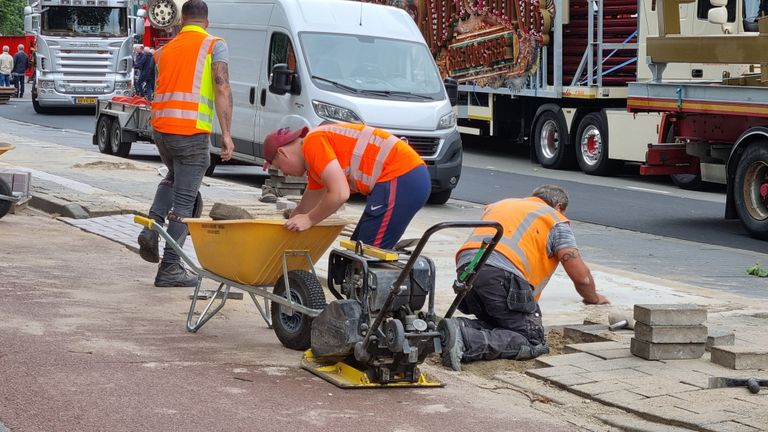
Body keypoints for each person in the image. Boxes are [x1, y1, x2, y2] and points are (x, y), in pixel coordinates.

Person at [439, 185, 610, 371]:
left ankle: (454, 327)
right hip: (500, 274)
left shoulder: (503, 205)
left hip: (466, 270)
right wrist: (593, 298)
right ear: (559, 206)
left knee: (500, 323)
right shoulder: (554, 219)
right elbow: (581, 278)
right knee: (532, 339)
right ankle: (466, 339)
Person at [136, 0, 235, 287]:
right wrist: (226, 134)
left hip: (161, 129)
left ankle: (152, 229)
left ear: (181, 22)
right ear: (207, 22)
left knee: (173, 176)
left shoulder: (164, 49)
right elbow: (222, 86)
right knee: (185, 201)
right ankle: (170, 268)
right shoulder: (214, 44)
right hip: (190, 131)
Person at [264, 122, 431, 250]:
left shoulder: (312, 143)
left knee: (368, 254)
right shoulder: (315, 166)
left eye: (279, 167)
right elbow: (304, 208)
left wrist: (309, 220)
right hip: (402, 179)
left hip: (402, 177)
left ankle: (377, 294)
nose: (284, 174)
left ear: (283, 153)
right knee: (356, 250)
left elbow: (339, 194)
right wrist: (284, 233)